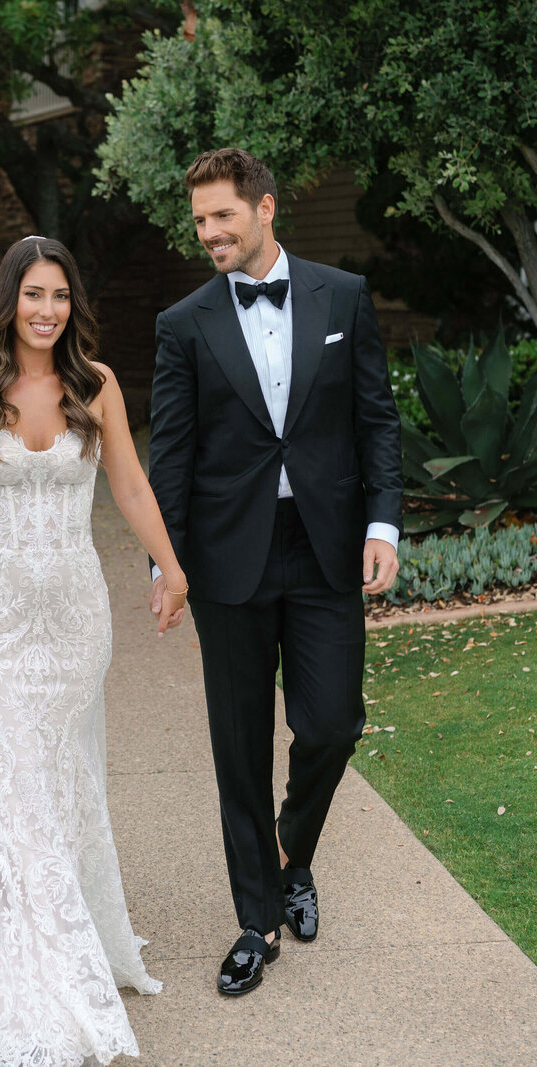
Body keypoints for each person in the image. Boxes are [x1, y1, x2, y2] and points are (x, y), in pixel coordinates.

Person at [0, 236, 187, 1065]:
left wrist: (173, 567)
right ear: (7, 301)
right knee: (17, 767)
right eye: (33, 294)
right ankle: (29, 962)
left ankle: (64, 924)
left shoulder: (95, 388)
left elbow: (130, 484)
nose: (47, 309)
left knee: (49, 771)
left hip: (72, 623)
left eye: (60, 295)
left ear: (73, 305)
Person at [148, 148, 402, 995]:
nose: (210, 233)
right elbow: (172, 455)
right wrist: (167, 562)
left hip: (327, 545)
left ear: (265, 207)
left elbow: (378, 419)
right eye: (199, 222)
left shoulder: (344, 295)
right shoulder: (183, 323)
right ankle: (256, 919)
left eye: (222, 215)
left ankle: (291, 849)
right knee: (238, 742)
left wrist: (382, 523)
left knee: (332, 722)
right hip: (229, 559)